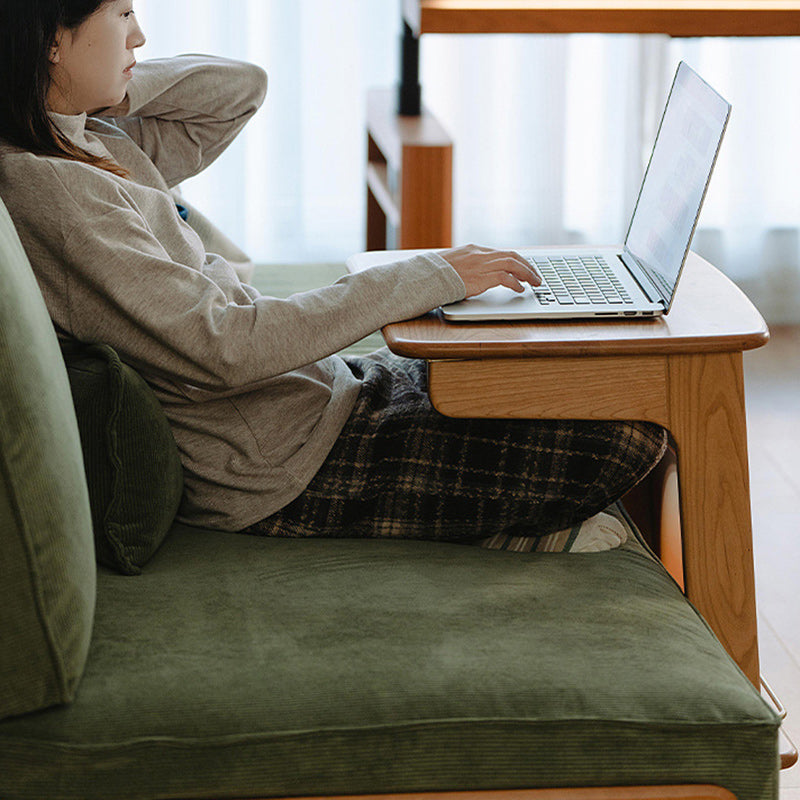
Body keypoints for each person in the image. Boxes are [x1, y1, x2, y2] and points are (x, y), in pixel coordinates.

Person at [0, 0, 666, 549]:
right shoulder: (57, 191)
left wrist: (108, 82)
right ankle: (504, 529)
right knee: (632, 433)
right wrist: (428, 275)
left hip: (323, 401)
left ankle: (503, 521)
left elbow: (238, 90)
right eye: (121, 15)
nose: (140, 33)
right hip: (285, 468)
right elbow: (223, 346)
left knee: (607, 382)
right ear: (52, 39)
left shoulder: (84, 138)